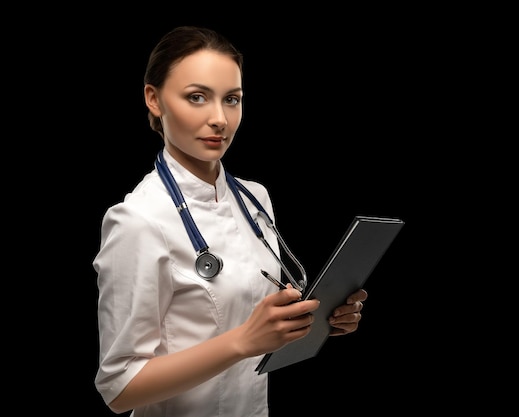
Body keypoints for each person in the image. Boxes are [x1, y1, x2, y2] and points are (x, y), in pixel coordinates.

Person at [93, 26, 368, 417]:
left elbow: (254, 331)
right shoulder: (137, 220)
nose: (220, 119)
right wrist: (242, 341)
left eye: (232, 99)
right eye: (197, 97)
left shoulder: (254, 198)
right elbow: (119, 389)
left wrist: (319, 322)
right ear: (154, 100)